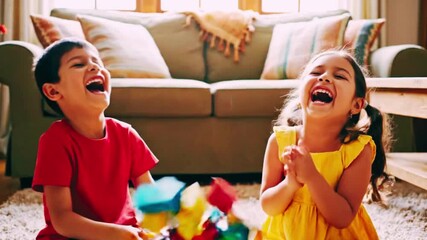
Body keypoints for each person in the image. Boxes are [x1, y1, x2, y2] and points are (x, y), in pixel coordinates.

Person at [32, 38, 158, 240]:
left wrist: (175, 216)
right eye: (79, 64)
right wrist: (118, 234)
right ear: (53, 91)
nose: (94, 67)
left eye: (98, 62)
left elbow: (152, 196)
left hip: (125, 232)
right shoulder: (55, 141)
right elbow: (62, 220)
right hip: (71, 236)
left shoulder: (126, 134)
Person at [259, 50, 392, 239]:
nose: (324, 77)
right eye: (315, 73)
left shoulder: (357, 150)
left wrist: (312, 177)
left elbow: (342, 218)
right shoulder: (279, 142)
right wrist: (290, 184)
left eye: (339, 76)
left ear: (356, 105)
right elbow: (268, 207)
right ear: (301, 92)